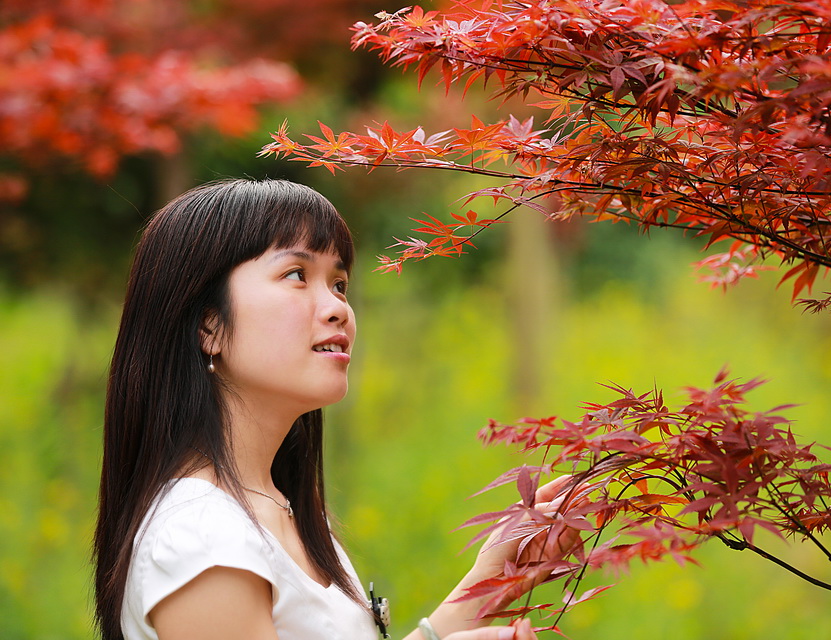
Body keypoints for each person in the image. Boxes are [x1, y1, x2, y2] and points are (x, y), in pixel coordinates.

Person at [93, 178, 570, 640]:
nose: (338, 308)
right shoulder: (200, 538)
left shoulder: (282, 513)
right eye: (296, 275)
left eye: (339, 283)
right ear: (209, 326)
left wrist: (495, 578)